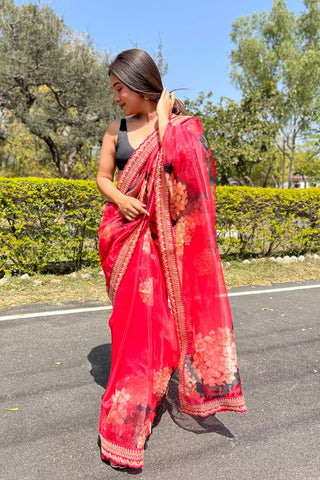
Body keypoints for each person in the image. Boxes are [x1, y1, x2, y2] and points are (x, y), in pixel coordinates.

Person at [96, 48, 246, 470]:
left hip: (161, 244)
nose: (117, 97)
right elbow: (102, 178)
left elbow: (187, 177)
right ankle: (138, 389)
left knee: (155, 324)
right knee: (131, 322)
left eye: (121, 88)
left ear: (142, 83)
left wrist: (163, 120)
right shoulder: (115, 130)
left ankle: (134, 408)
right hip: (125, 239)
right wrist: (122, 198)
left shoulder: (177, 127)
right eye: (114, 89)